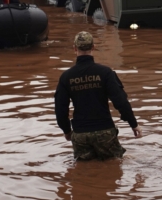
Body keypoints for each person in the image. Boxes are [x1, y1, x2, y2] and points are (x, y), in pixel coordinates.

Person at [54, 31, 142, 160]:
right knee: (114, 168)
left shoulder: (66, 77)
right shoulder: (105, 73)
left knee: (83, 173)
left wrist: (66, 131)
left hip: (80, 134)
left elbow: (60, 109)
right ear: (93, 47)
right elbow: (120, 101)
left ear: (74, 48)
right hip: (105, 131)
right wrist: (133, 124)